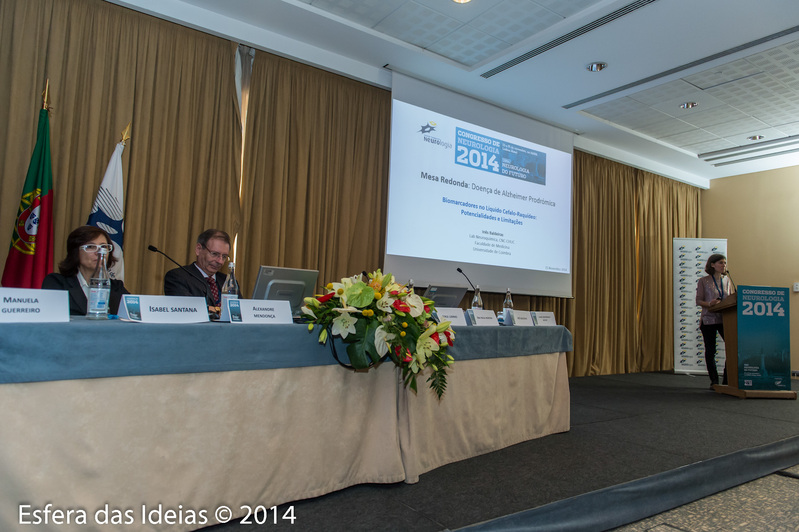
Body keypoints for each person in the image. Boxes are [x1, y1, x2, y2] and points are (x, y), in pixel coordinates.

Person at [42, 225, 129, 315]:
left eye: (103, 247)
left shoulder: (116, 287)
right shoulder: (57, 283)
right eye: (91, 247)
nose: (99, 252)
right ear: (75, 252)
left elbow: (135, 314)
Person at [163, 229, 231, 309]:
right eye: (214, 254)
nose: (219, 261)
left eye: (224, 257)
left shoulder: (228, 281)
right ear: (198, 249)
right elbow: (188, 309)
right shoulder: (178, 277)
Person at [695, 253, 735, 388]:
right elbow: (698, 300)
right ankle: (714, 380)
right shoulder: (703, 281)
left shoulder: (727, 280)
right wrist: (710, 304)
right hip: (708, 320)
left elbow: (730, 298)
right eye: (720, 263)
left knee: (732, 347)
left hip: (725, 319)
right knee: (711, 350)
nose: (723, 265)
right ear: (712, 265)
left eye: (724, 263)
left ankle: (727, 379)